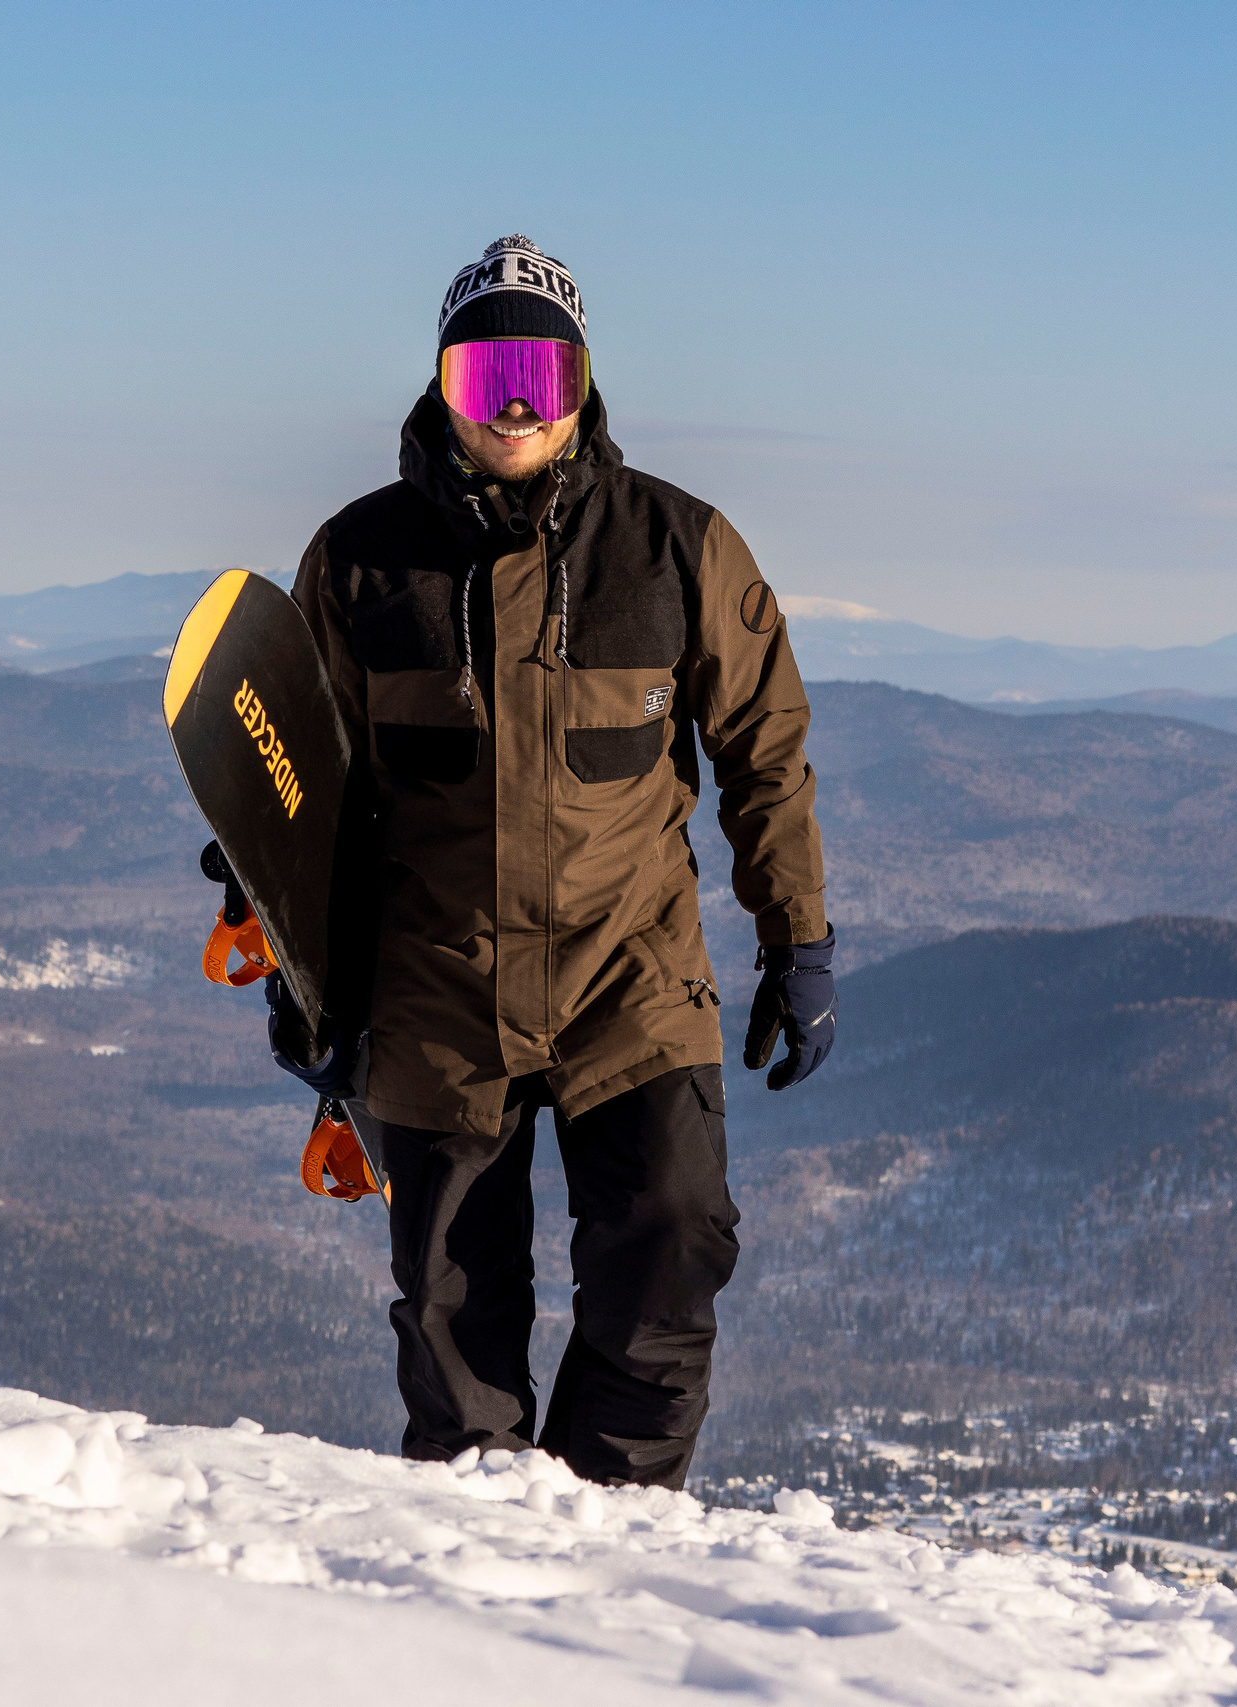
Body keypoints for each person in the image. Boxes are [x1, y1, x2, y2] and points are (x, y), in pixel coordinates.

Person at [278, 234, 835, 1489]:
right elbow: (301, 795)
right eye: (488, 378)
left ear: (582, 384)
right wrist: (301, 979)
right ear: (441, 387)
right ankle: (480, 1575)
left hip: (630, 979)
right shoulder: (358, 562)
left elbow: (765, 752)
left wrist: (798, 937)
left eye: (540, 373)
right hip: (434, 988)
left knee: (674, 1244)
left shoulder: (677, 548)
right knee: (450, 1317)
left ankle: (615, 1534)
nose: (517, 407)